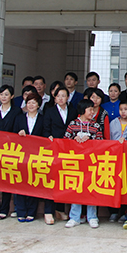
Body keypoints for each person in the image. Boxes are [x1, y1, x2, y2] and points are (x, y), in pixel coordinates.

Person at [64, 99, 101, 229]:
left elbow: (101, 143)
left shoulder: (96, 126)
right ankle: (74, 217)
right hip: (76, 163)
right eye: (90, 109)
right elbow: (64, 141)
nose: (92, 112)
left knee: (91, 188)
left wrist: (90, 139)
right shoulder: (73, 124)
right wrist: (73, 139)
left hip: (91, 163)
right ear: (82, 110)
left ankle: (92, 217)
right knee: (77, 189)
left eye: (93, 109)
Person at [42, 86, 76, 224]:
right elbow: (45, 129)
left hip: (68, 149)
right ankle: (48, 211)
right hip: (53, 149)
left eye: (63, 95)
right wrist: (48, 137)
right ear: (54, 98)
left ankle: (60, 209)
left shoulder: (73, 111)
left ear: (68, 97)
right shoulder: (49, 111)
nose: (61, 98)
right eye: (58, 96)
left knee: (63, 179)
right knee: (51, 180)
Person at [0, 84, 21, 220]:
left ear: (12, 96)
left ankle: (4, 209)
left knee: (6, 178)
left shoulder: (16, 111)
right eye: (1, 94)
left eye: (6, 94)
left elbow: (16, 129)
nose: (3, 97)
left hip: (8, 149)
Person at [14, 91, 45, 222]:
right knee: (20, 182)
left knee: (34, 182)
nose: (31, 105)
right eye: (29, 103)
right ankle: (20, 211)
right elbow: (11, 135)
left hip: (36, 156)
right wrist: (18, 134)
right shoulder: (19, 118)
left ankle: (31, 211)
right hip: (21, 155)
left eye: (34, 103)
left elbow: (45, 136)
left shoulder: (43, 119)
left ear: (38, 105)